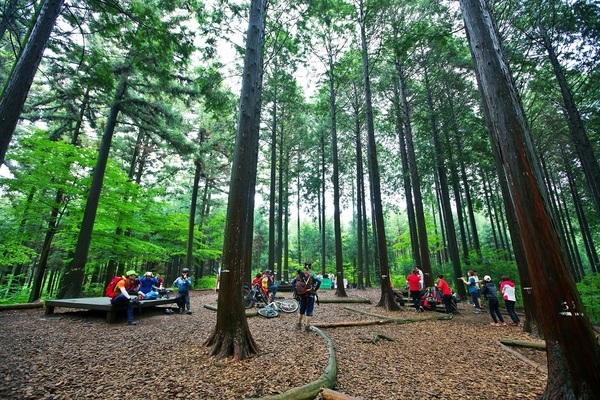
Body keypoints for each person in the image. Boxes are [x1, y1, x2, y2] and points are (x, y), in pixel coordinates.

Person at [291, 262, 321, 331]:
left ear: (304, 267)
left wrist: (297, 290)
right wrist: (315, 289)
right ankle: (307, 327)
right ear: (310, 267)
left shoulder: (300, 274)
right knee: (309, 310)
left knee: (301, 310)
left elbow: (292, 283)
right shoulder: (312, 274)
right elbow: (319, 281)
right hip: (310, 294)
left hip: (302, 294)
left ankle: (299, 324)